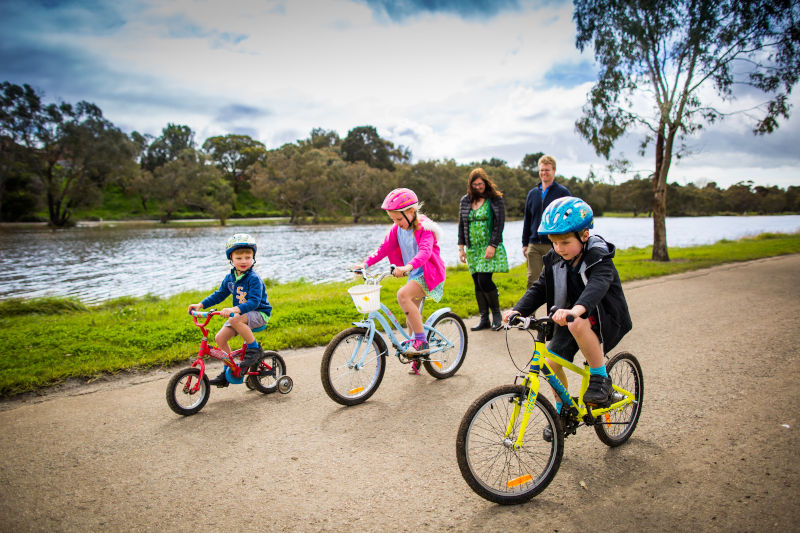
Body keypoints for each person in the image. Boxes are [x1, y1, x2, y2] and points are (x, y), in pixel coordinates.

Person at [503, 197, 632, 409]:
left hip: (603, 316)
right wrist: (518, 310)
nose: (559, 248)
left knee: (576, 322)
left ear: (584, 235)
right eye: (554, 243)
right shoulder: (554, 258)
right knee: (550, 364)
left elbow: (597, 285)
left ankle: (600, 377)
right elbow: (540, 288)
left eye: (565, 243)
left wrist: (577, 310)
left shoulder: (599, 256)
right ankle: (562, 411)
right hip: (570, 319)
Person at [357, 188, 446, 375]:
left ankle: (421, 341)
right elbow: (383, 249)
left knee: (402, 295)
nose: (396, 223)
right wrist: (365, 264)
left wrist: (407, 266)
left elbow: (425, 252)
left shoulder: (425, 229)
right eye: (393, 219)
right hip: (414, 274)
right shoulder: (397, 229)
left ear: (411, 212)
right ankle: (417, 356)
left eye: (398, 219)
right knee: (410, 318)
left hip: (429, 273)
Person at [187, 233, 272, 387]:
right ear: (231, 259)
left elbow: (254, 302)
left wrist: (234, 309)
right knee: (220, 338)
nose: (243, 261)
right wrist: (201, 305)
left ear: (253, 257)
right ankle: (229, 369)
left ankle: (254, 349)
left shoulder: (254, 279)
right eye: (239, 258)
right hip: (239, 316)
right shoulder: (230, 278)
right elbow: (219, 294)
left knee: (234, 319)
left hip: (259, 313)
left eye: (248, 257)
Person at [457, 168, 509, 331]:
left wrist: (492, 245)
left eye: (480, 184)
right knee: (477, 283)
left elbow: (499, 224)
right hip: (473, 248)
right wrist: (461, 248)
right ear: (470, 185)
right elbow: (461, 224)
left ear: (485, 183)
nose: (478, 187)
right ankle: (484, 318)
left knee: (484, 280)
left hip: (488, 246)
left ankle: (496, 315)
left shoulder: (495, 199)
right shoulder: (465, 201)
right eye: (475, 185)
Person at [522, 155, 571, 289]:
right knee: (532, 279)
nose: (544, 173)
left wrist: (566, 241)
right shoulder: (532, 194)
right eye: (542, 170)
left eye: (547, 170)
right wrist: (525, 243)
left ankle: (557, 303)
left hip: (554, 243)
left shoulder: (562, 193)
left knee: (556, 280)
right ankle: (529, 304)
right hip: (534, 244)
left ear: (554, 170)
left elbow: (569, 219)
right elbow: (527, 219)